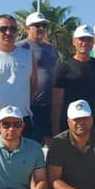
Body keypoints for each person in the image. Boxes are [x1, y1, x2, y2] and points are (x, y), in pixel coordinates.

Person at [53, 24, 95, 138]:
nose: (85, 43)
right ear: (74, 41)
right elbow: (57, 102)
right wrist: (55, 129)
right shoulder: (64, 67)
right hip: (71, 124)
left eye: (89, 39)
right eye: (81, 39)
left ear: (93, 42)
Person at [17, 11, 60, 144]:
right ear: (27, 28)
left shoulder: (51, 49)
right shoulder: (20, 48)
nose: (41, 28)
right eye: (37, 25)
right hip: (29, 107)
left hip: (49, 106)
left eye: (44, 25)